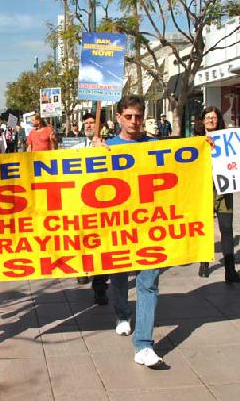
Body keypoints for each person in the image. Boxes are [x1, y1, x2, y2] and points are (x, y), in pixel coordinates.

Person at [93, 95, 165, 368]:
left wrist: (208, 147)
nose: (135, 122)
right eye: (129, 116)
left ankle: (144, 345)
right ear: (119, 118)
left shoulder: (156, 146)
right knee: (120, 276)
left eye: (139, 116)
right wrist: (94, 153)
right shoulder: (107, 147)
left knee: (149, 282)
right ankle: (123, 315)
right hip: (117, 226)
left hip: (150, 225)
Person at [196, 106, 240, 283]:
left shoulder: (228, 139)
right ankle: (204, 263)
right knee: (204, 227)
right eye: (208, 117)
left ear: (219, 120)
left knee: (226, 228)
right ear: (202, 120)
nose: (211, 120)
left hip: (224, 189)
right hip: (203, 189)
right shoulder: (195, 141)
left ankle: (230, 270)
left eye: (214, 117)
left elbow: (238, 159)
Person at [75, 112, 110, 305]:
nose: (89, 126)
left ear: (101, 125)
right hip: (80, 205)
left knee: (101, 247)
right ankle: (82, 269)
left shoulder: (109, 145)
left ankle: (100, 286)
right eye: (86, 123)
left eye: (92, 122)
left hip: (102, 206)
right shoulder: (76, 147)